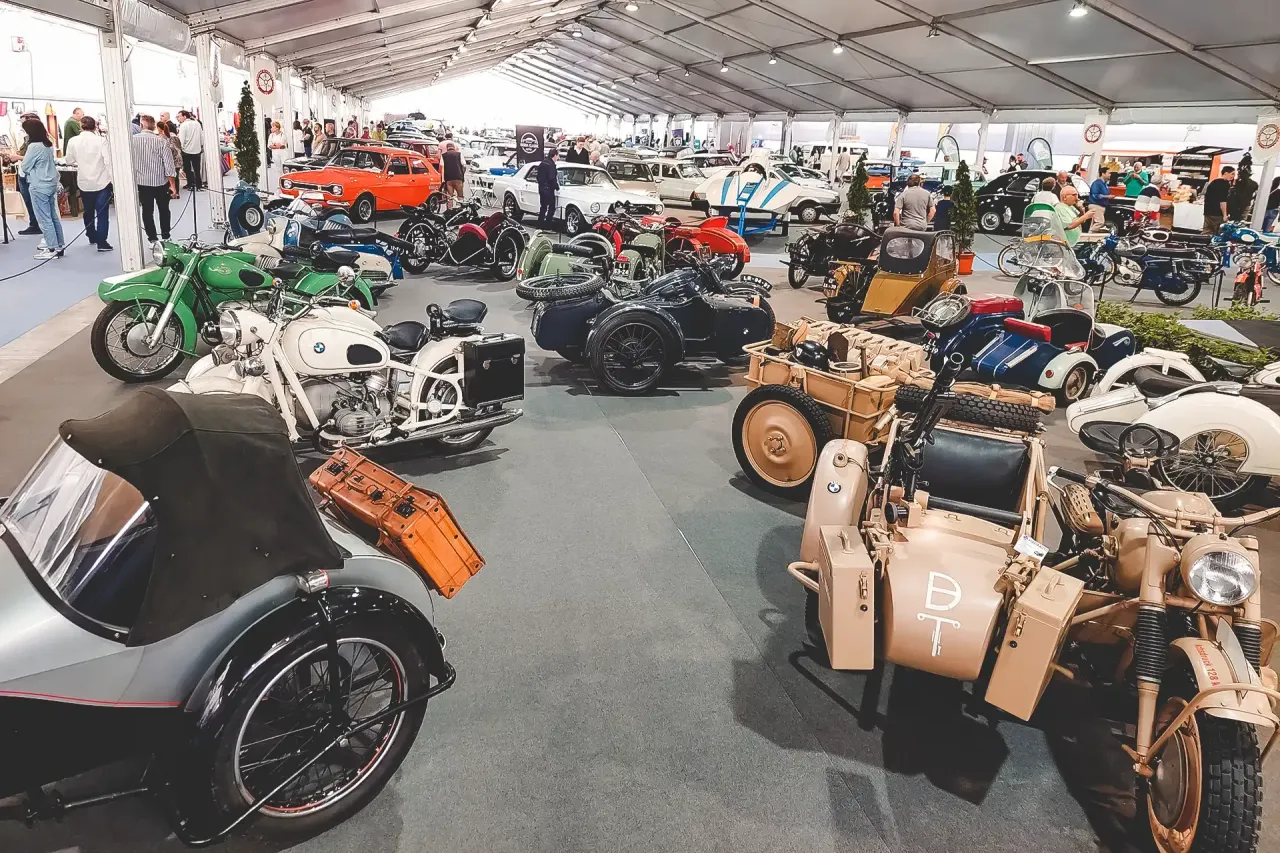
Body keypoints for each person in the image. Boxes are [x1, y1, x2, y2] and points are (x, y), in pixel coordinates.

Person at [62, 115, 113, 252]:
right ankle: (102, 242)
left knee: (88, 211)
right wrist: (113, 181)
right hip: (102, 181)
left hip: (84, 181)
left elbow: (69, 160)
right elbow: (108, 161)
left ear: (80, 126)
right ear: (95, 126)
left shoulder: (73, 141)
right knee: (102, 213)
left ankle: (91, 235)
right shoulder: (102, 141)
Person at [20, 118, 63, 259]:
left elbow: (25, 167)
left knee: (44, 219)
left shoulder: (33, 147)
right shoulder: (47, 144)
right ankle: (59, 245)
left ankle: (51, 249)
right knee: (53, 216)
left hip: (39, 185)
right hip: (50, 183)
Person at [132, 114, 177, 243]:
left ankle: (152, 239)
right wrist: (173, 186)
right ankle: (166, 236)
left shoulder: (132, 141)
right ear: (153, 126)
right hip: (161, 182)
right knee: (164, 210)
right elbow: (169, 165)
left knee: (147, 211)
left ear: (141, 125)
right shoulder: (162, 141)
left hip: (142, 183)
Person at [13, 111, 42, 235]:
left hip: (32, 174)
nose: (22, 126)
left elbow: (33, 158)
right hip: (24, 173)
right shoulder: (27, 139)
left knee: (35, 202)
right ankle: (34, 224)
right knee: (28, 201)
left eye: (23, 123)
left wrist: (17, 157)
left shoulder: (38, 141)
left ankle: (38, 225)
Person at [1201, 166, 1235, 235]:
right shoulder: (1225, 184)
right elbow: (1223, 200)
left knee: (1206, 232)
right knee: (1219, 233)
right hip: (1217, 214)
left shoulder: (1213, 182)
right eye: (1232, 174)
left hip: (1208, 212)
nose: (1233, 176)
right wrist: (1225, 215)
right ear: (1225, 173)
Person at [177, 110, 205, 190]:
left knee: (188, 169)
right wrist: (201, 146)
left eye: (179, 116)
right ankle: (199, 185)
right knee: (197, 168)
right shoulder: (197, 124)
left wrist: (180, 149)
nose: (178, 118)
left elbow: (181, 139)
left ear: (184, 116)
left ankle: (190, 184)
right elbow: (201, 136)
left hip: (186, 151)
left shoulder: (183, 125)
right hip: (197, 149)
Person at [158, 120, 183, 199]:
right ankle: (175, 193)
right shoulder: (173, 136)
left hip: (172, 160)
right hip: (177, 159)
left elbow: (172, 149)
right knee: (175, 176)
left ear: (159, 128)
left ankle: (172, 193)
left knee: (171, 177)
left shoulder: (164, 137)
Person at [537, 148, 558, 229]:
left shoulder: (542, 163)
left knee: (543, 207)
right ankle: (548, 224)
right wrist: (556, 186)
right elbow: (552, 178)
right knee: (552, 207)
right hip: (548, 189)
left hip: (541, 188)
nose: (558, 158)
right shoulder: (551, 165)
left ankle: (540, 223)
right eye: (557, 156)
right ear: (555, 155)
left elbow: (538, 176)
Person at [441, 138, 464, 208]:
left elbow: (442, 167)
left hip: (448, 179)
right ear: (454, 148)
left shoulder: (443, 155)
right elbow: (464, 165)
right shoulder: (459, 154)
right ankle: (459, 209)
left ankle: (450, 210)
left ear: (447, 148)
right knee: (460, 195)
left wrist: (443, 180)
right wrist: (462, 175)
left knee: (450, 197)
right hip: (458, 178)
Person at [1087, 166, 1111, 231]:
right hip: (1096, 205)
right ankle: (1089, 235)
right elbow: (1095, 195)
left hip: (1101, 206)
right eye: (1109, 173)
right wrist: (1107, 196)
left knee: (1094, 223)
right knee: (1099, 222)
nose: (1110, 175)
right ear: (1103, 174)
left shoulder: (1105, 184)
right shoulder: (1097, 183)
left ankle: (1090, 235)